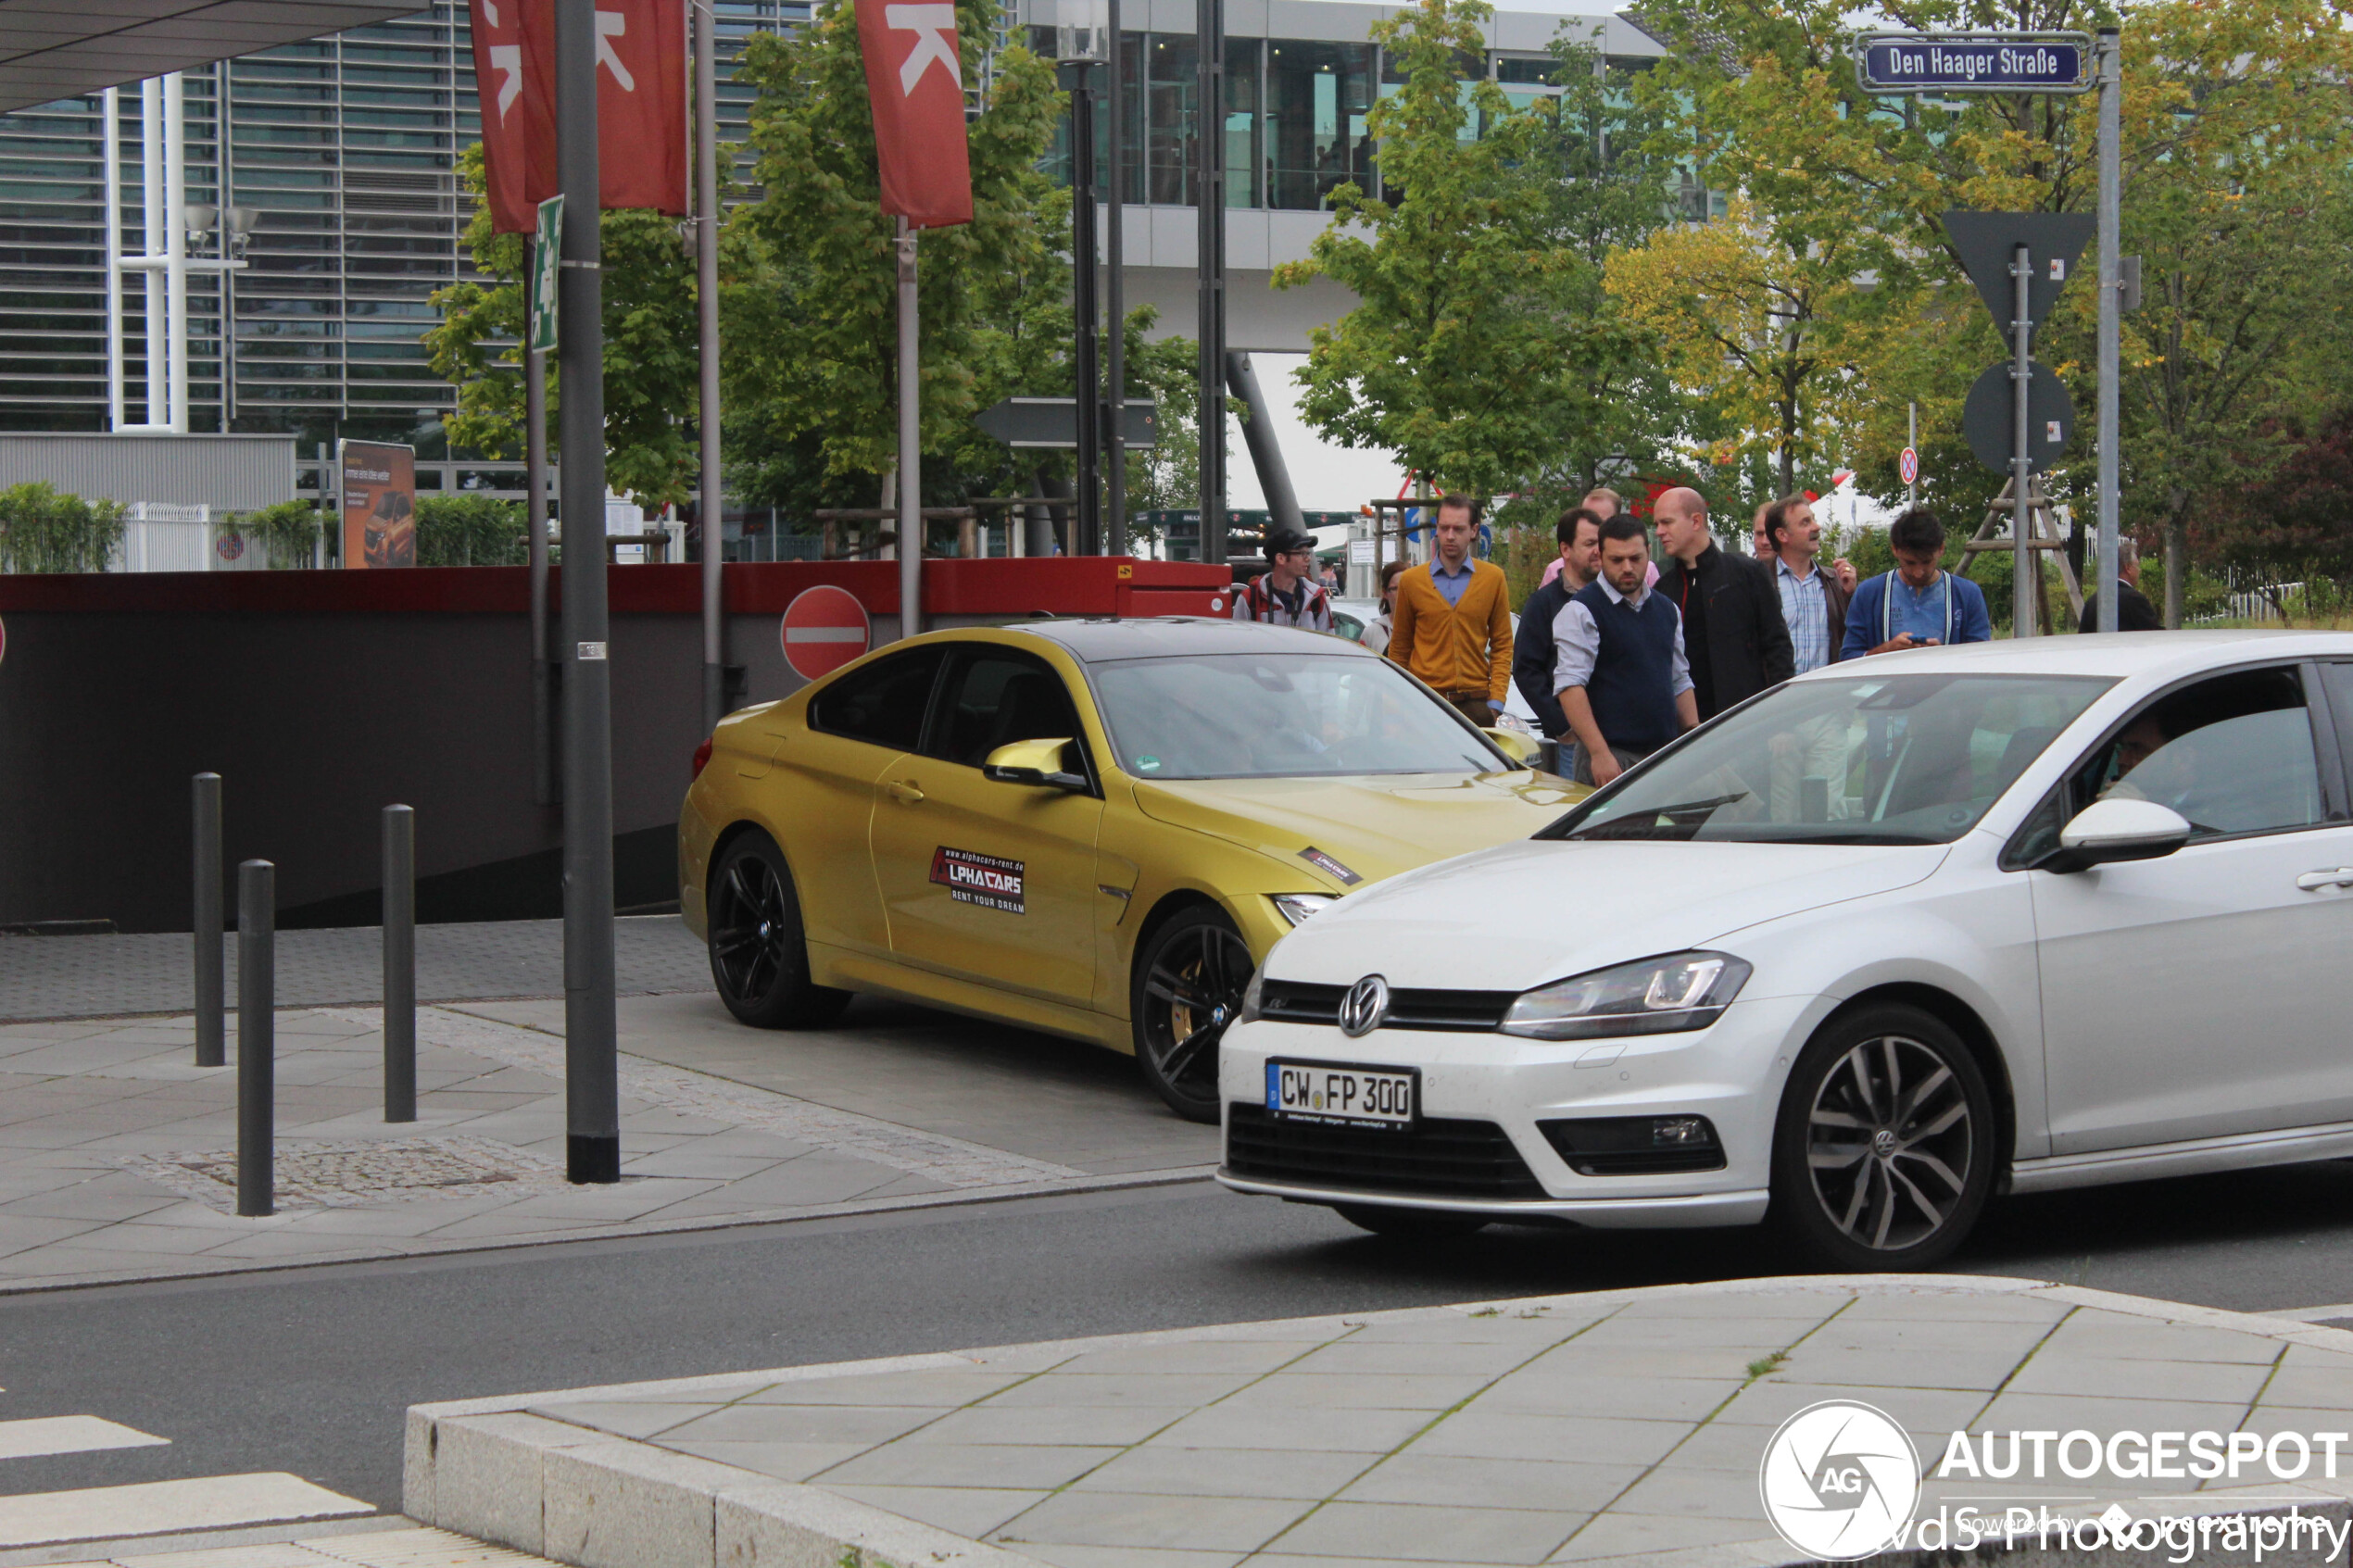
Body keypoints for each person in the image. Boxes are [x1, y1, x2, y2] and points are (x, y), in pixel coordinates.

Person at [1553, 514, 1697, 785]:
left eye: (1635, 558)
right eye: (1617, 560)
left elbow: (1679, 679)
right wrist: (1599, 753)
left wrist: (1694, 733)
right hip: (1609, 755)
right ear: (1601, 556)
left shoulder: (1667, 610)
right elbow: (1570, 686)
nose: (1627, 568)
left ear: (1649, 552)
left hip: (1664, 753)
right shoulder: (1581, 611)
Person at [1654, 487, 1794, 721]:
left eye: (1666, 522)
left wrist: (1781, 720)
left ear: (1696, 521)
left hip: (1747, 721)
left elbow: (1777, 648)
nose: (1659, 532)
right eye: (1657, 524)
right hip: (1688, 729)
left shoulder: (1747, 574)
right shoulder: (1663, 590)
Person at [1387, 494, 1514, 724]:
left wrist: (1496, 702)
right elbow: (1400, 647)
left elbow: (1503, 644)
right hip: (1425, 700)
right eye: (1444, 528)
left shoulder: (1492, 578)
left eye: (1458, 529)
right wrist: (1398, 702)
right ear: (1436, 528)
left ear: (1474, 531)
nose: (1450, 536)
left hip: (1476, 702)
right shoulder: (1412, 581)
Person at [1841, 508, 1994, 659]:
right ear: (1895, 549)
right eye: (1910, 563)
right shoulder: (1869, 594)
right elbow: (1848, 659)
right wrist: (1886, 650)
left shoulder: (1967, 595)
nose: (1918, 572)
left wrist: (1944, 656)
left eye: (1926, 562)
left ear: (1941, 549)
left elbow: (1981, 659)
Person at [1512, 507, 1605, 744]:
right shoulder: (1543, 604)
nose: (1598, 551)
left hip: (1614, 736)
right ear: (1566, 549)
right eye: (1589, 543)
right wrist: (1563, 726)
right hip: (1569, 743)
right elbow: (1526, 671)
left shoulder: (1612, 601)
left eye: (1601, 544)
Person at [1763, 493, 1848, 674]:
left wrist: (1850, 593)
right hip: (1778, 695)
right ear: (1782, 535)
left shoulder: (1833, 581)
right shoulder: (1761, 583)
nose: (1816, 527)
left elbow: (1849, 639)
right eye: (1805, 522)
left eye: (1813, 520)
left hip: (1825, 693)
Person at [1231, 526, 1333, 633]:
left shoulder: (1316, 597)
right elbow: (1240, 642)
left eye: (1308, 553)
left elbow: (1328, 643)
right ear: (1280, 558)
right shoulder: (1249, 598)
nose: (1308, 558)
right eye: (1301, 553)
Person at [1541, 487, 1646, 589]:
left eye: (1601, 521)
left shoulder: (1645, 569)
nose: (1595, 527)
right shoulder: (1556, 570)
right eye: (1587, 517)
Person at [2078, 537, 2162, 633]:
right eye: (2137, 566)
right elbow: (2155, 635)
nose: (2139, 570)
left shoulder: (2093, 601)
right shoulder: (2135, 600)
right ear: (2128, 568)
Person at [1360, 558, 1407, 656]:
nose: (1402, 593)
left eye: (1406, 587)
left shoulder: (1423, 628)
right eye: (1395, 588)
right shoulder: (1372, 633)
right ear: (1385, 593)